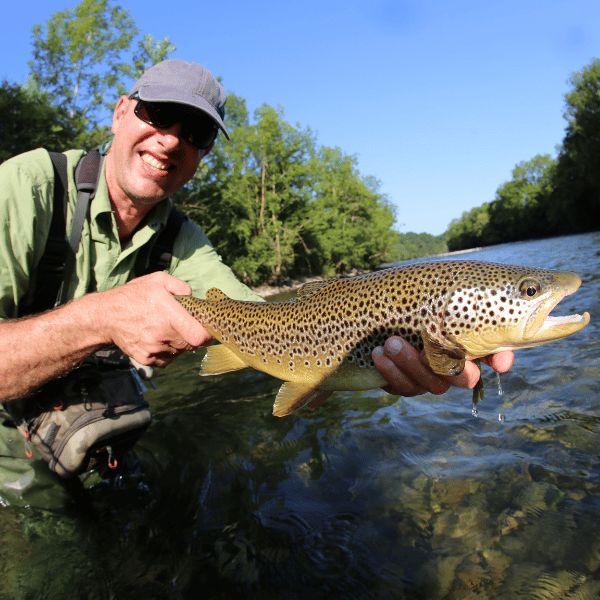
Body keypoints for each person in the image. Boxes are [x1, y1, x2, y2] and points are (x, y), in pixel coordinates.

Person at [0, 59, 513, 502]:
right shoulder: (27, 189)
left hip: (90, 434)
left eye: (195, 134)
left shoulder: (180, 239)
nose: (172, 139)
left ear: (200, 157)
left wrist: (340, 363)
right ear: (119, 113)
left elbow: (263, 319)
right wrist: (100, 317)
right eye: (158, 114)